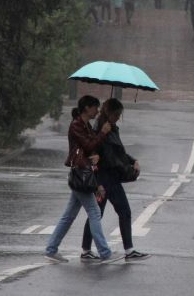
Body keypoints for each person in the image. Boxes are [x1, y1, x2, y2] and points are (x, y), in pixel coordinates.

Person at [44, 95, 120, 263]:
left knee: (69, 215)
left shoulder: (85, 125)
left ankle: (51, 249)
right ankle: (105, 252)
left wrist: (97, 155)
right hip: (81, 173)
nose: (97, 111)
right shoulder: (76, 125)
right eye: (95, 107)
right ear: (87, 107)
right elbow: (88, 145)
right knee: (94, 212)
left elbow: (92, 147)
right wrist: (102, 132)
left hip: (84, 172)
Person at [81, 98, 150, 262]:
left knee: (99, 213)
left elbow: (118, 152)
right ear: (109, 113)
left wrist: (132, 160)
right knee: (112, 212)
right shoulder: (102, 129)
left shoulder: (109, 127)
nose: (119, 117)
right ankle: (127, 250)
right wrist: (128, 170)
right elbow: (111, 157)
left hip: (108, 177)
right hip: (105, 178)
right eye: (117, 114)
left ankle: (87, 250)